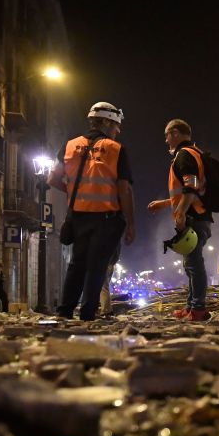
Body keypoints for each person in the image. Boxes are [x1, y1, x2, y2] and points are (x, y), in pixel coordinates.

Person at [47, 102, 135, 321]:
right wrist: (131, 222)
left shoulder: (69, 146)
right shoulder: (116, 149)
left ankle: (65, 311)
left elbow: (52, 179)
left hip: (78, 216)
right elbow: (124, 189)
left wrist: (75, 196)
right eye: (115, 125)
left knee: (77, 263)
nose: (117, 131)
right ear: (105, 122)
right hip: (106, 217)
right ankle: (87, 313)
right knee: (97, 265)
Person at [147, 119, 213, 321]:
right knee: (190, 263)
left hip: (194, 217)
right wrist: (166, 203)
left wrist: (181, 213)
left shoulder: (184, 155)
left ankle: (198, 309)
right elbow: (188, 191)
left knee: (194, 264)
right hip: (199, 215)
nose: (166, 140)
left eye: (167, 135)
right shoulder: (194, 153)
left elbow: (190, 187)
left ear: (176, 133)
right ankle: (191, 307)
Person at [100, 246, 120, 316]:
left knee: (103, 286)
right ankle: (107, 310)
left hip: (104, 262)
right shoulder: (117, 238)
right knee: (104, 286)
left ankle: (106, 310)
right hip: (110, 263)